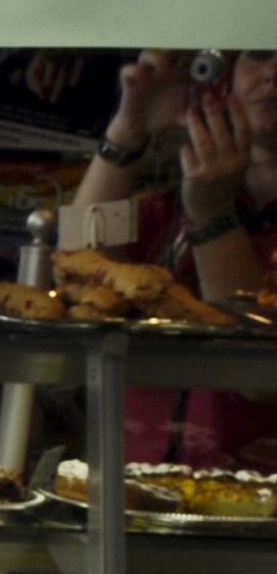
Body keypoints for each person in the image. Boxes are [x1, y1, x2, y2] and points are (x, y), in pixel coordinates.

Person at [75, 50, 277, 467]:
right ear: (223, 80)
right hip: (137, 482)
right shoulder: (169, 213)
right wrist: (127, 131)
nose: (273, 71)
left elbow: (258, 379)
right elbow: (75, 271)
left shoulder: (198, 207)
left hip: (255, 501)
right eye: (259, 54)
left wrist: (213, 217)